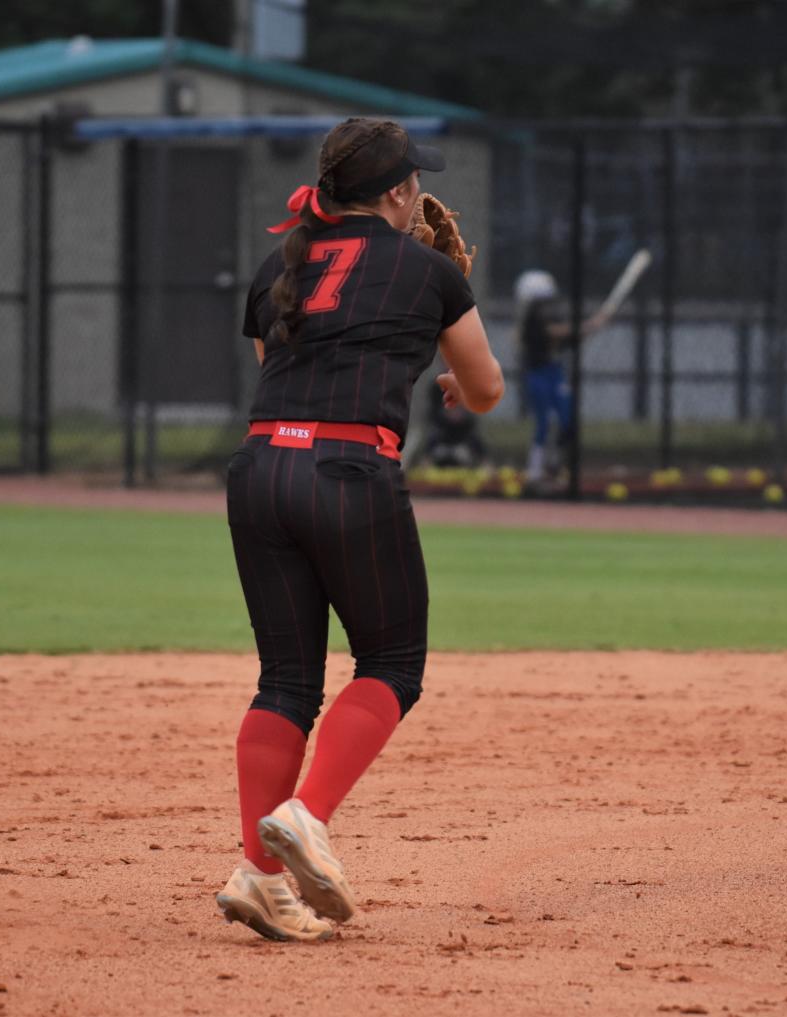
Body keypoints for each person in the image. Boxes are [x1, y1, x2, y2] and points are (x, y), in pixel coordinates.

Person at [214, 117, 503, 943]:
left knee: (285, 681)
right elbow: (486, 388)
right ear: (400, 192)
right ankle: (306, 816)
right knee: (390, 663)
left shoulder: (282, 264)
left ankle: (260, 879)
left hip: (261, 470)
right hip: (347, 473)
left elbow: (283, 377)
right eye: (416, 181)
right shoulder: (428, 269)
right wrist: (448, 373)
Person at [514, 270, 609, 485]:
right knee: (545, 422)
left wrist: (588, 330)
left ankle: (556, 466)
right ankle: (535, 471)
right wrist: (590, 325)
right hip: (538, 375)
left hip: (555, 373)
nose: (546, 307)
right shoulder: (531, 323)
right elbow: (555, 332)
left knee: (566, 419)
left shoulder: (550, 316)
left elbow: (568, 338)